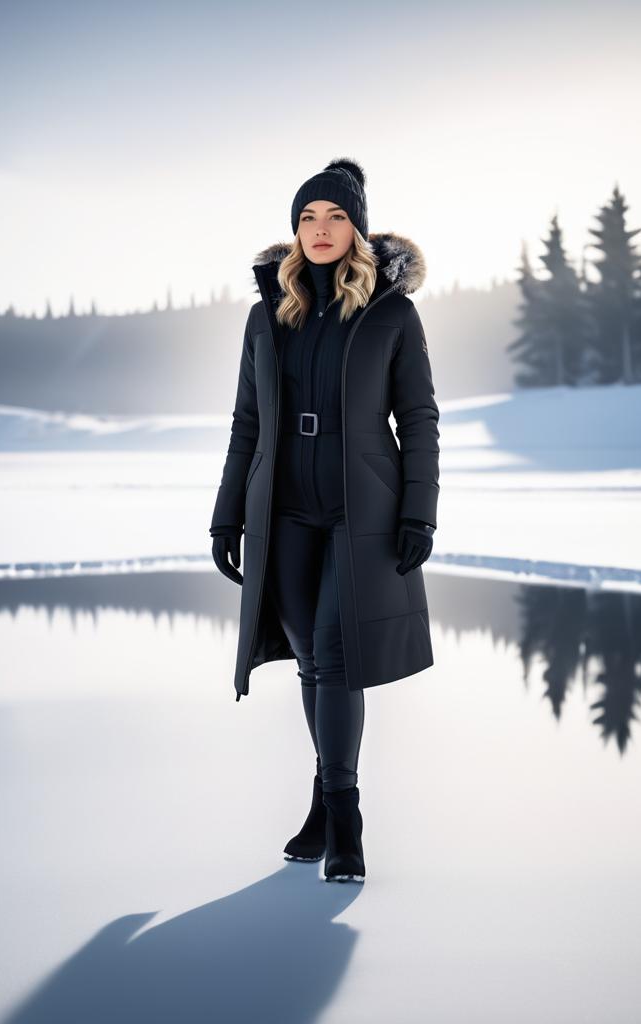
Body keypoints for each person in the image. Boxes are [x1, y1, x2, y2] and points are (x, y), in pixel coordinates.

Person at [210, 158, 440, 882]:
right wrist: (225, 518)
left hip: (360, 509)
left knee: (338, 657)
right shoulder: (265, 317)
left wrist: (419, 511)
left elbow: (420, 418)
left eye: (335, 217)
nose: (320, 230)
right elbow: (247, 423)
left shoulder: (391, 315)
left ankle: (346, 820)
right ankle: (323, 800)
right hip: (284, 511)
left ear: (358, 230)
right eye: (308, 217)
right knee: (312, 661)